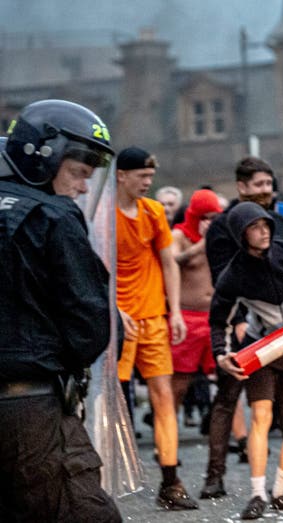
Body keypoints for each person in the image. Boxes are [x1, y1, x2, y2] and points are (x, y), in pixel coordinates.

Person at [0, 99, 121, 521]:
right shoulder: (54, 216)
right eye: (78, 173)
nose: (84, 188)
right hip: (29, 408)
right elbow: (87, 322)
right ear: (42, 157)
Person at [201, 156, 283, 499]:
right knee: (228, 397)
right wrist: (235, 322)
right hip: (244, 322)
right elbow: (224, 277)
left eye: (269, 184)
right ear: (242, 187)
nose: (266, 190)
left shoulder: (277, 220)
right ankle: (215, 474)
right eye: (259, 185)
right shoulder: (222, 228)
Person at [210, 202, 283, 520]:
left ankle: (281, 491)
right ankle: (258, 494)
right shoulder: (233, 273)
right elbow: (217, 319)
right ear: (240, 235)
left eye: (266, 226)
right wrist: (221, 354)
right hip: (261, 349)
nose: (263, 232)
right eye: (254, 227)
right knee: (260, 416)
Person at [115, 146, 198, 510]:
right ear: (121, 175)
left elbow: (168, 262)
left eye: (151, 177)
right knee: (115, 401)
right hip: (118, 321)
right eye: (142, 177)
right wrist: (113, 310)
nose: (148, 183)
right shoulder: (103, 215)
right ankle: (108, 480)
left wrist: (175, 311)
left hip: (152, 316)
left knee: (163, 395)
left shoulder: (152, 212)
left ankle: (170, 480)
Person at [169, 189, 223, 420]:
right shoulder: (179, 236)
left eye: (214, 217)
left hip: (214, 316)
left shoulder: (220, 236)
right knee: (180, 382)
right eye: (205, 217)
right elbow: (171, 262)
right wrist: (201, 245)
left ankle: (239, 438)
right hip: (188, 316)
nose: (210, 222)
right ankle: (167, 432)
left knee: (226, 379)